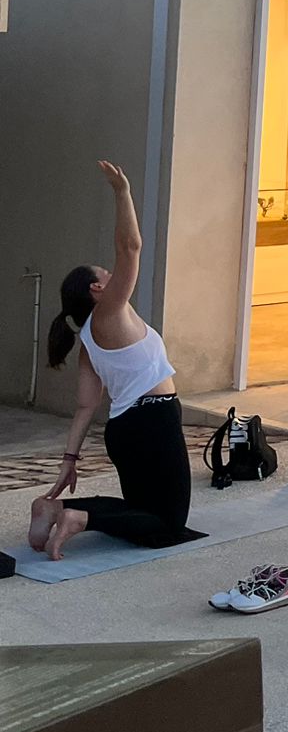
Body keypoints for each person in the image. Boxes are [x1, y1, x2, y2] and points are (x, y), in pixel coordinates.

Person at [28, 162, 194, 562]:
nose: (113, 272)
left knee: (141, 512)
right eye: (106, 273)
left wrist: (69, 461)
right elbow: (130, 248)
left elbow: (86, 407)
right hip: (154, 421)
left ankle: (57, 509)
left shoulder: (88, 340)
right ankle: (78, 518)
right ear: (97, 288)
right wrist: (123, 193)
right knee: (169, 525)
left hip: (124, 431)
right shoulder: (110, 313)